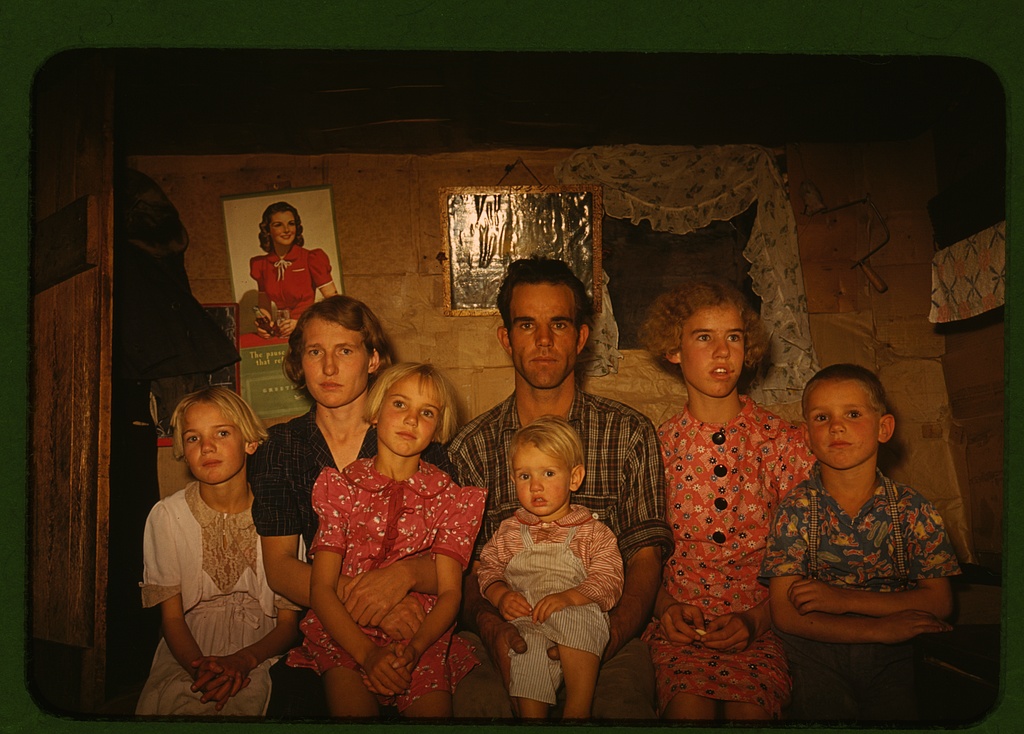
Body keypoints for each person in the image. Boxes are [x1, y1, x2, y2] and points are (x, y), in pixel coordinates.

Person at [449, 257, 673, 719]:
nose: (544, 340)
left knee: (621, 710)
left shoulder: (629, 433)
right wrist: (493, 629)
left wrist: (605, 637)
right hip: (509, 630)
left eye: (559, 324)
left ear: (581, 337)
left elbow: (645, 557)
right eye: (527, 325)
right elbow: (465, 569)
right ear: (506, 338)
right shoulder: (471, 448)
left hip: (606, 629)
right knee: (478, 707)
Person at [250, 295, 454, 717]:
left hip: (416, 623)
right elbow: (280, 568)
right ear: (299, 361)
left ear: (373, 359)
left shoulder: (413, 438)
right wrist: (372, 604)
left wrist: (404, 577)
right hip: (328, 630)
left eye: (344, 351)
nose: (329, 368)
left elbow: (456, 561)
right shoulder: (281, 448)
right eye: (315, 352)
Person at [637, 279, 815, 721]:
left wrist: (757, 619)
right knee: (687, 710)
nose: (722, 352)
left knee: (751, 712)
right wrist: (663, 608)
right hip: (679, 634)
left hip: (765, 627)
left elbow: (811, 555)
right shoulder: (656, 448)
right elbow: (637, 555)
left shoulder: (782, 441)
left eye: (733, 337)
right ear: (673, 349)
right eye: (704, 337)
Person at [760, 363, 960, 721]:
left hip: (895, 653)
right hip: (814, 651)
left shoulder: (914, 509)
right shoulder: (795, 509)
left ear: (884, 428)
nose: (836, 426)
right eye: (822, 417)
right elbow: (785, 614)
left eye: (853, 414)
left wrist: (843, 600)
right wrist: (878, 627)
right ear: (806, 436)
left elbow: (939, 602)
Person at [285, 362, 486, 717]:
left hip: (421, 635)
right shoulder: (341, 488)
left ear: (438, 428)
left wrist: (415, 649)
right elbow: (321, 589)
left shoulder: (451, 499)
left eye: (427, 412)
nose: (411, 419)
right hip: (344, 634)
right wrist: (367, 654)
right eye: (400, 404)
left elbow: (450, 593)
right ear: (376, 412)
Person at [136, 387, 299, 716]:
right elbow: (172, 619)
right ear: (184, 451)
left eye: (222, 433)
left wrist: (244, 660)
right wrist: (201, 671)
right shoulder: (166, 516)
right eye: (193, 438)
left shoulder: (281, 514)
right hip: (188, 649)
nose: (206, 447)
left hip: (262, 649)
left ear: (250, 442)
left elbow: (288, 625)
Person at [477, 416, 624, 719]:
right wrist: (500, 595)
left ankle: (578, 710)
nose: (536, 486)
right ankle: (533, 719)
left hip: (575, 613)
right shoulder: (509, 531)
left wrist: (570, 597)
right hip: (528, 618)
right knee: (525, 649)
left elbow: (609, 579)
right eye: (524, 476)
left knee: (577, 619)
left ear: (574, 478)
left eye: (548, 473)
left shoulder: (592, 532)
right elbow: (488, 568)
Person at [250, 201, 339, 338]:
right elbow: (264, 306)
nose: (286, 230)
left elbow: (334, 301)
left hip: (309, 330)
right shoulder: (261, 264)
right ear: (267, 230)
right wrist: (264, 326)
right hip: (281, 332)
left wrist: (301, 322)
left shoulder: (312, 258)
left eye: (291, 224)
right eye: (278, 225)